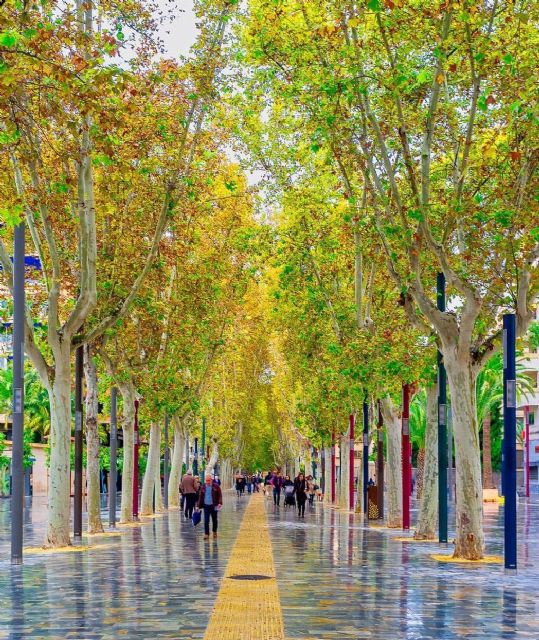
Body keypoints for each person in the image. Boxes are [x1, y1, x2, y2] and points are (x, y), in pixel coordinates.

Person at [197, 473, 223, 540]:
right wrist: (198, 506)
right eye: (206, 480)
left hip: (214, 505)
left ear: (211, 480)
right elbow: (200, 497)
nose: (207, 482)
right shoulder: (203, 487)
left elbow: (220, 495)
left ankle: (214, 532)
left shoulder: (216, 486)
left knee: (214, 520)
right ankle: (206, 534)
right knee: (206, 520)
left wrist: (220, 503)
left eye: (208, 480)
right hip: (206, 506)